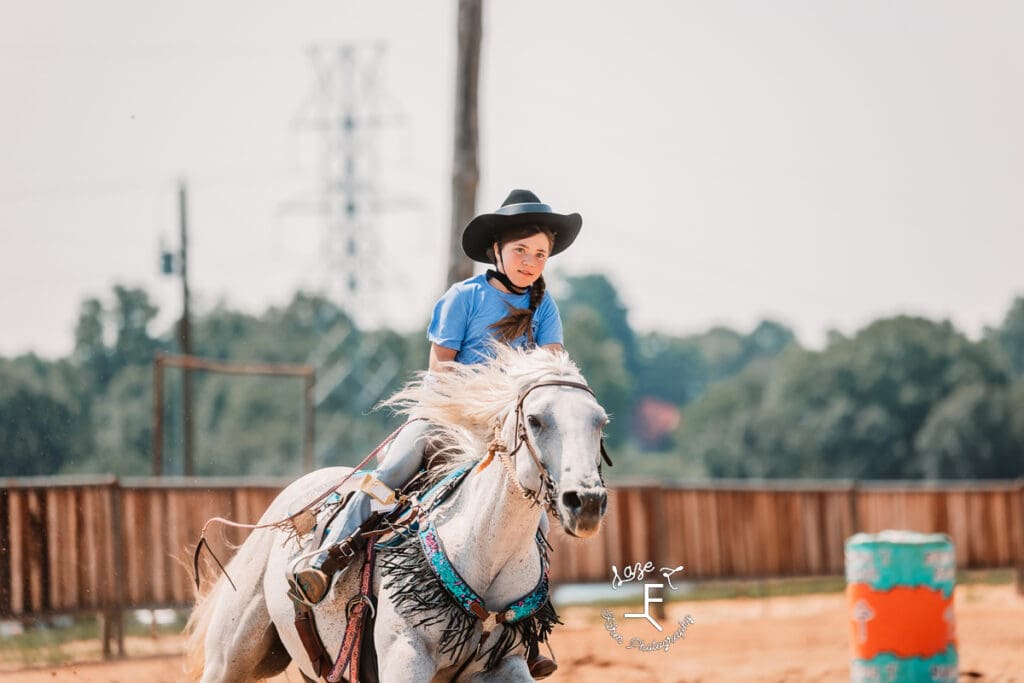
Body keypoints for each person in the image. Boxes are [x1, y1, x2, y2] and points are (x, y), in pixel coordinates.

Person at [293, 189, 581, 677]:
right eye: (521, 252)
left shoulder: (544, 305)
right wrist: (473, 412)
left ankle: (524, 627)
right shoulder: (463, 298)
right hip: (449, 418)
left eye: (540, 255)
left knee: (535, 519)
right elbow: (439, 370)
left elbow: (547, 369)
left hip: (507, 433)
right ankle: (328, 555)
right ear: (497, 251)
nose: (531, 263)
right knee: (393, 469)